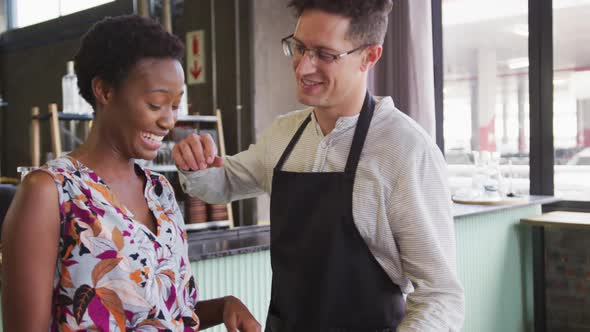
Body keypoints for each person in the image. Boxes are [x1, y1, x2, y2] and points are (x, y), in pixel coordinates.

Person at [173, 0, 465, 330]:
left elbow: (439, 296)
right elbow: (222, 183)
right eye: (298, 48)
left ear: (369, 56)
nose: (302, 68)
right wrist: (194, 162)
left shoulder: (407, 151)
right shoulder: (284, 134)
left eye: (324, 55)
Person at [1, 15, 260, 332]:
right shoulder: (50, 192)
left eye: (175, 106)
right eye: (156, 104)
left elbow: (165, 315)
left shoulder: (160, 191)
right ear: (104, 91)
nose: (168, 121)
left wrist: (223, 306)